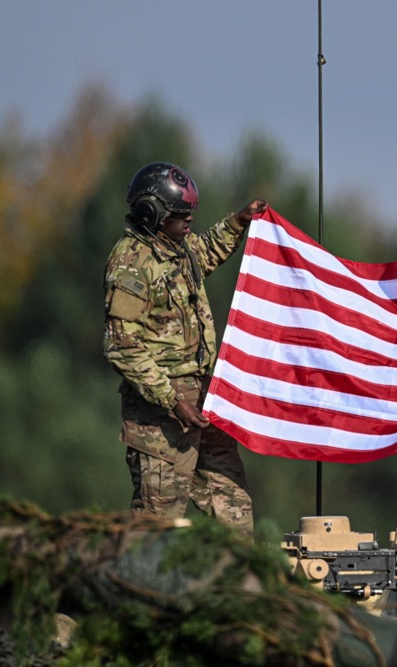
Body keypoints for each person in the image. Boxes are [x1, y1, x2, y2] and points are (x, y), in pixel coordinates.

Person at [103, 161, 267, 536]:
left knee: (234, 513)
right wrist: (172, 399)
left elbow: (206, 251)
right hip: (162, 415)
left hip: (206, 401)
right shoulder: (131, 264)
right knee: (159, 527)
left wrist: (238, 222)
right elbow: (121, 345)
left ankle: (237, 589)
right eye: (181, 215)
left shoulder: (178, 247)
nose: (189, 222)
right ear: (153, 214)